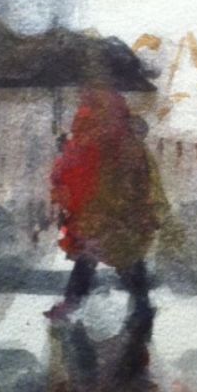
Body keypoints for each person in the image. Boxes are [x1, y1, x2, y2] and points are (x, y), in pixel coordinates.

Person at [46, 82, 169, 324]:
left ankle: (139, 306)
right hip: (104, 214)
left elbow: (131, 180)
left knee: (121, 260)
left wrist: (69, 155)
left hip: (116, 213)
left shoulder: (121, 145)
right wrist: (68, 152)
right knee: (97, 259)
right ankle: (135, 306)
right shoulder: (113, 141)